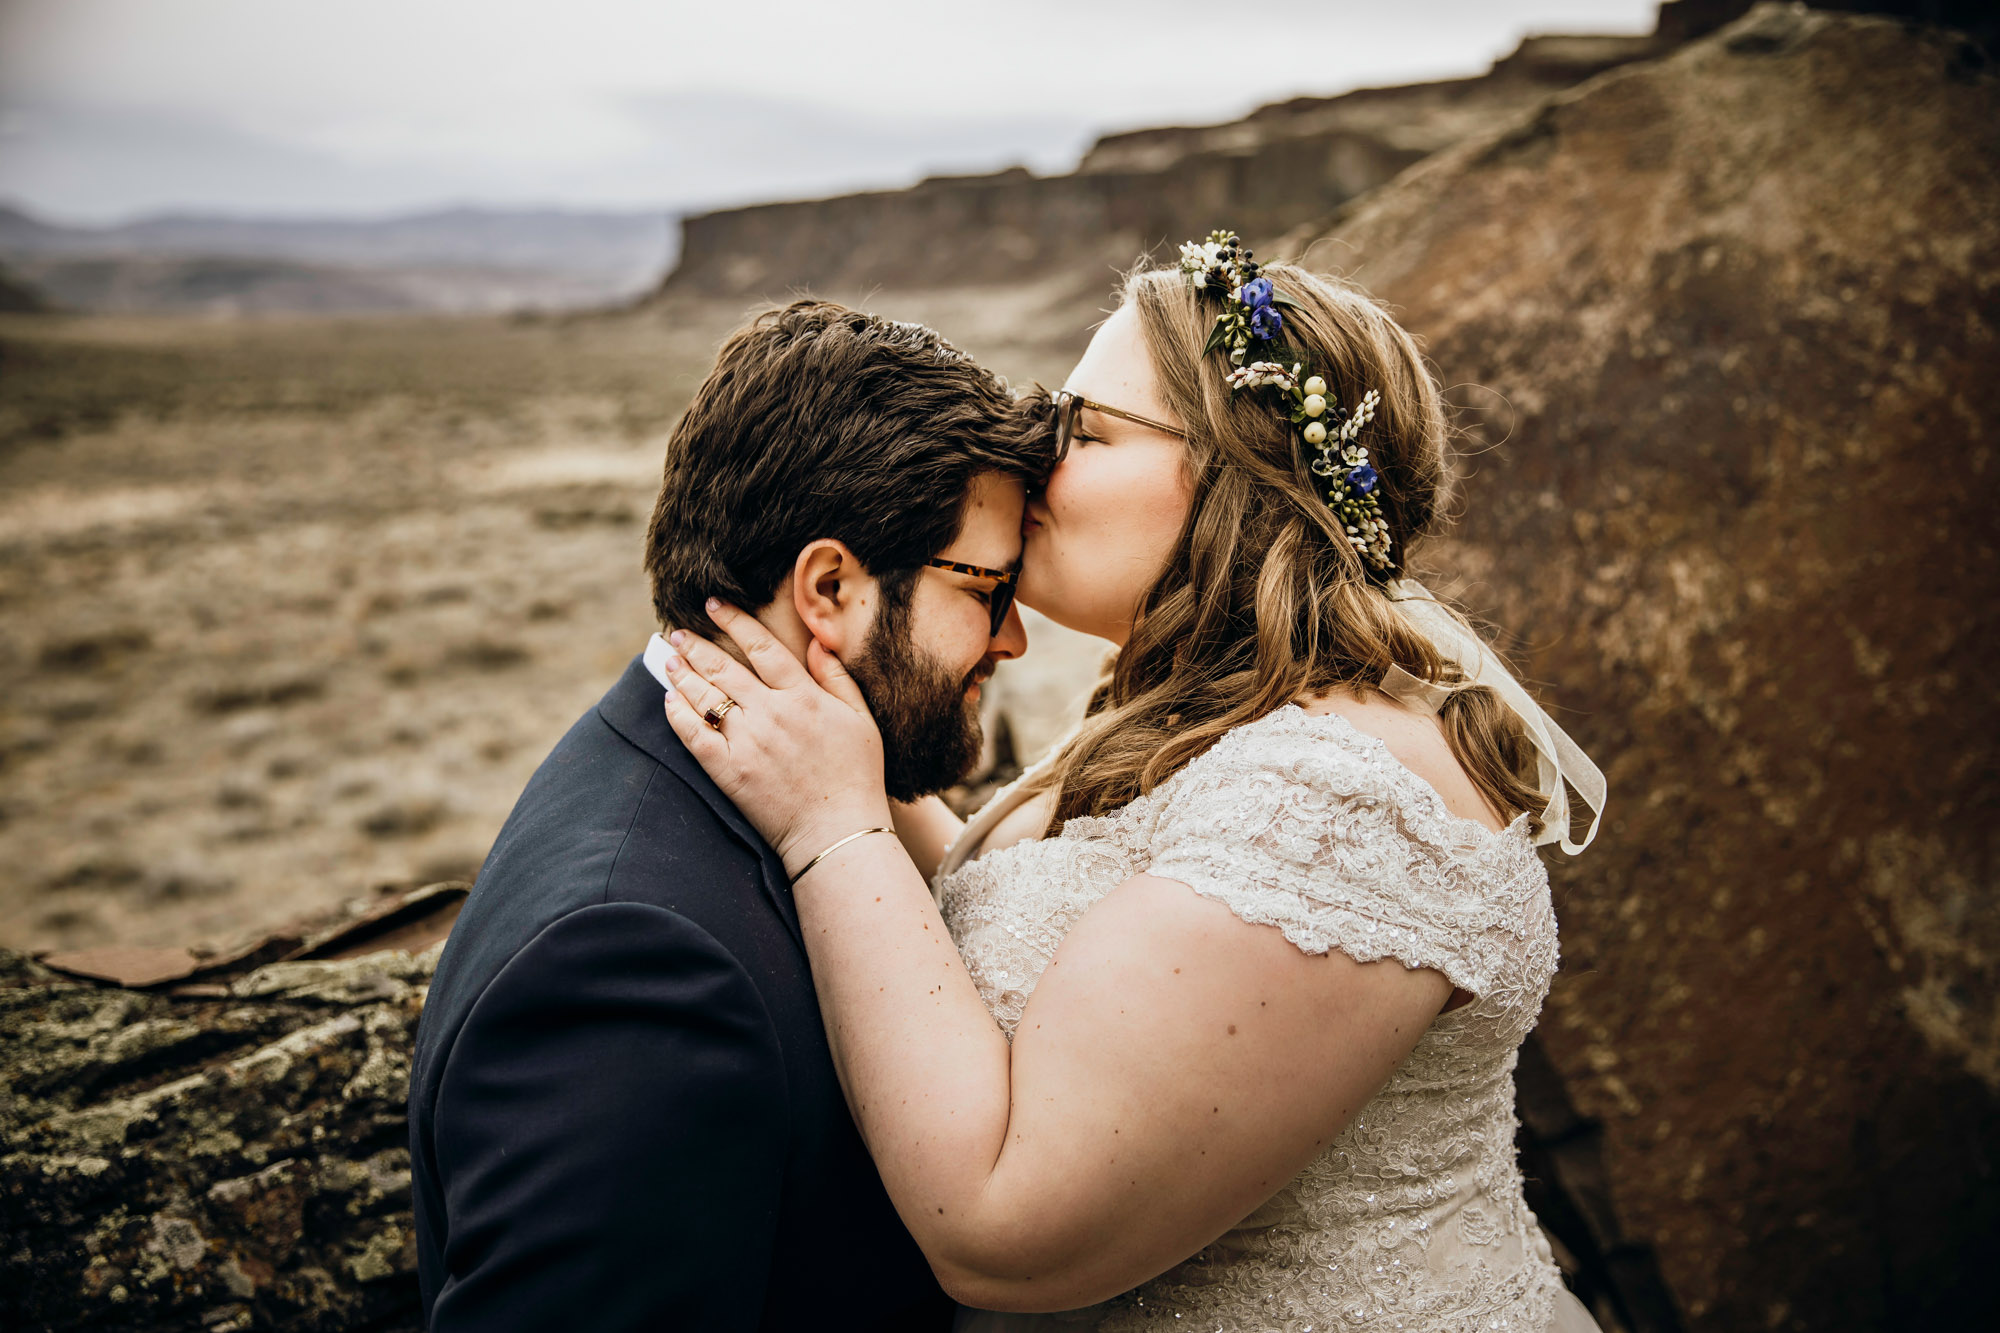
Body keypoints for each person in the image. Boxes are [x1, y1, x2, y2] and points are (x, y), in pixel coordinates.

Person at [658, 234, 1608, 1331]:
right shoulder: (1199, 712)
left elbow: (999, 1234)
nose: (1033, 453)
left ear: (1235, 477)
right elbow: (1032, 891)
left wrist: (831, 824)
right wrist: (819, 731)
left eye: (1084, 429)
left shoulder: (1337, 809)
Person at [408, 300, 1054, 1331]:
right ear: (830, 587)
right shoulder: (635, 965)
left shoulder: (696, 778)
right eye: (988, 587)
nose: (1013, 638)